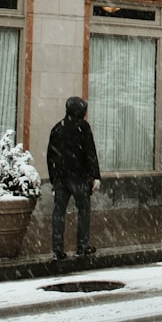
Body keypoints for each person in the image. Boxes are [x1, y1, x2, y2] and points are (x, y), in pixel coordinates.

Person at [47, 96, 101, 260]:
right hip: (79, 177)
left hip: (61, 178)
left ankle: (57, 248)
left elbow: (50, 156)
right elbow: (90, 153)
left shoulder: (57, 128)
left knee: (59, 212)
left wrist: (54, 178)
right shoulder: (83, 127)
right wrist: (95, 176)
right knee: (83, 211)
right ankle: (82, 246)